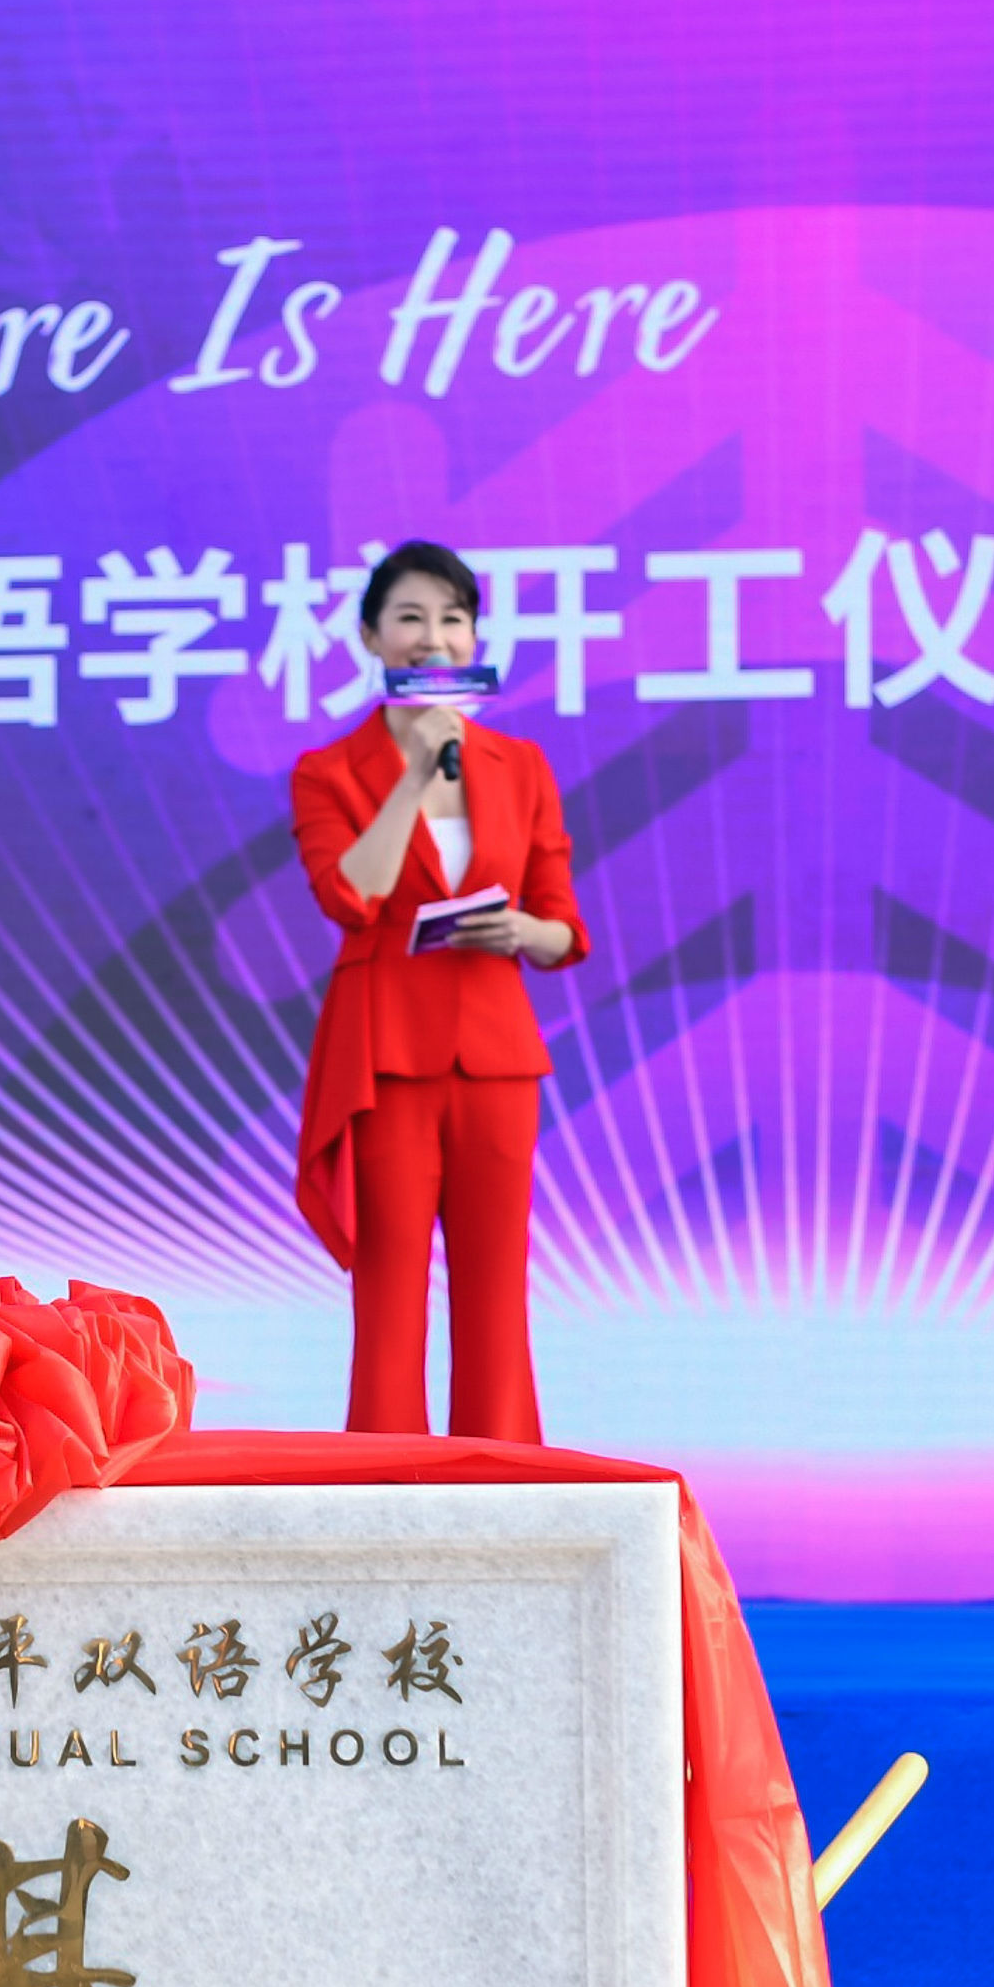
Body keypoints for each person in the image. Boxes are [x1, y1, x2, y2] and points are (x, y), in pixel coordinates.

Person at [289, 541, 587, 1441]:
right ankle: (382, 1487)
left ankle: (506, 1484)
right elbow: (351, 896)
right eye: (410, 618)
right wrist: (415, 775)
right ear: (370, 637)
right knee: (389, 1294)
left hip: (497, 1055)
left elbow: (563, 927)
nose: (433, 637)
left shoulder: (519, 765)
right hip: (386, 1055)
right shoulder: (328, 771)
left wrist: (522, 930)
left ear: (474, 638)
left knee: (496, 1292)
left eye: (452, 618)